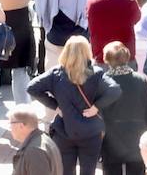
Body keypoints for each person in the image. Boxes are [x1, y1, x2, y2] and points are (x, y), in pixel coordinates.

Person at [27, 36, 121, 175]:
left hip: (64, 131)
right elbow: (115, 90)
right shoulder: (96, 73)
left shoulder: (56, 74)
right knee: (88, 171)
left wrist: (55, 106)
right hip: (90, 132)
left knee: (65, 171)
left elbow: (32, 87)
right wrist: (96, 107)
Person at [100, 41, 147, 175]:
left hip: (111, 139)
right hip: (137, 136)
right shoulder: (140, 80)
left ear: (107, 59)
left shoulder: (103, 82)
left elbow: (99, 112)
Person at [87, 0, 141, 71]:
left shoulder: (92, 2)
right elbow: (136, 19)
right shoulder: (130, 2)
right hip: (125, 59)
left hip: (101, 60)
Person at [8, 102, 62, 175]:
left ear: (21, 126)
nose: (10, 128)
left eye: (11, 123)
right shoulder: (43, 140)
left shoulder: (35, 151)